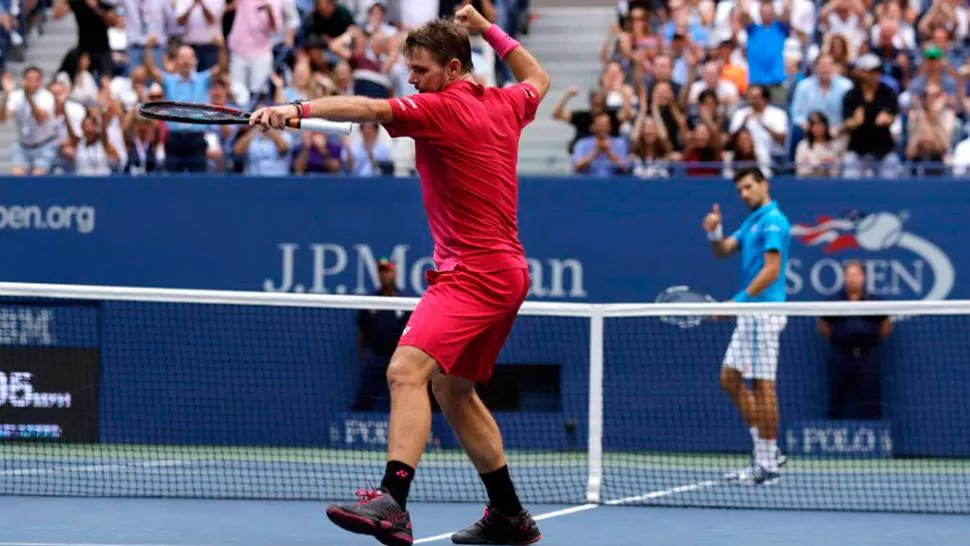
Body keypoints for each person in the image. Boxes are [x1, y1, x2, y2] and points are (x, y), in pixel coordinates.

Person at [250, 5, 549, 546]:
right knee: (452, 391)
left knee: (404, 371)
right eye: (409, 69)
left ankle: (393, 502)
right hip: (508, 273)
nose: (412, 79)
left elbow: (365, 107)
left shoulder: (440, 110)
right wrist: (488, 29)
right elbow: (538, 77)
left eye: (422, 70)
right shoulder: (506, 102)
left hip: (473, 273)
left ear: (454, 69)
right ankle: (508, 515)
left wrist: (292, 108)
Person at [701, 167, 791, 486]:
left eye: (749, 187)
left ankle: (766, 463)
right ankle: (768, 450)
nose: (744, 193)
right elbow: (723, 250)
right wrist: (713, 231)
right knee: (730, 379)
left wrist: (737, 302)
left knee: (763, 386)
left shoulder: (773, 221)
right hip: (750, 314)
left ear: (764, 185)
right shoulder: (751, 222)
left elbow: (772, 270)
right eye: (739, 189)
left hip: (763, 313)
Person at [818, 261, 891, 420]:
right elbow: (823, 325)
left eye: (856, 275)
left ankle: (875, 436)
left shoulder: (875, 301)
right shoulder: (833, 301)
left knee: (871, 399)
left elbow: (886, 325)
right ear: (844, 277)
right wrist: (838, 339)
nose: (852, 279)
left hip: (868, 356)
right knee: (836, 398)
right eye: (849, 275)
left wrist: (872, 341)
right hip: (841, 355)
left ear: (863, 277)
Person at [354, 258, 410, 411]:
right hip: (377, 357)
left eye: (388, 272)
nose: (385, 276)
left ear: (395, 273)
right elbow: (362, 330)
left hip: (400, 356)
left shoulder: (406, 301)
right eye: (382, 272)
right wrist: (363, 356)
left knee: (405, 395)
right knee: (364, 396)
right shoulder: (370, 301)